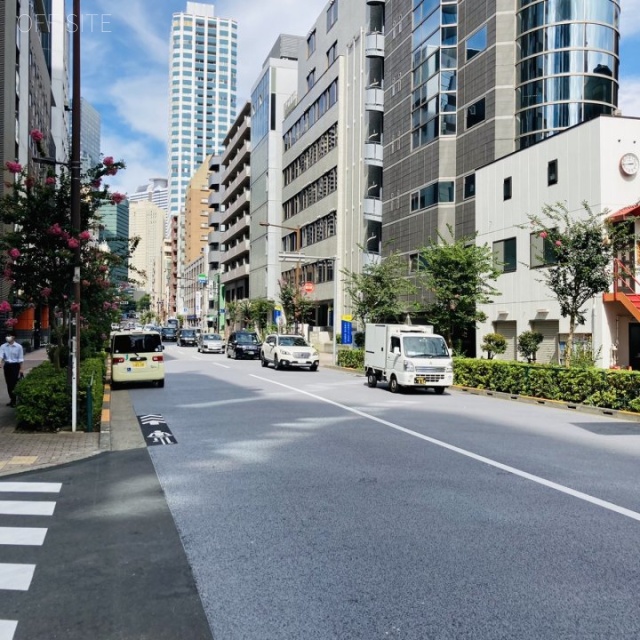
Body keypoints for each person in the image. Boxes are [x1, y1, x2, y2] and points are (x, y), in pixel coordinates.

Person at [0, 331, 24, 407]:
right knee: (8, 383)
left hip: (15, 366)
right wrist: (0, 362)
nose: (7, 337)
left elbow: (20, 358)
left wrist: (21, 369)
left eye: (9, 335)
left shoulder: (19, 347)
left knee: (13, 383)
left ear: (14, 337)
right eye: (7, 335)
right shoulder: (3, 346)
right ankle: (12, 399)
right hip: (7, 366)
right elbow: (1, 355)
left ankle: (14, 400)